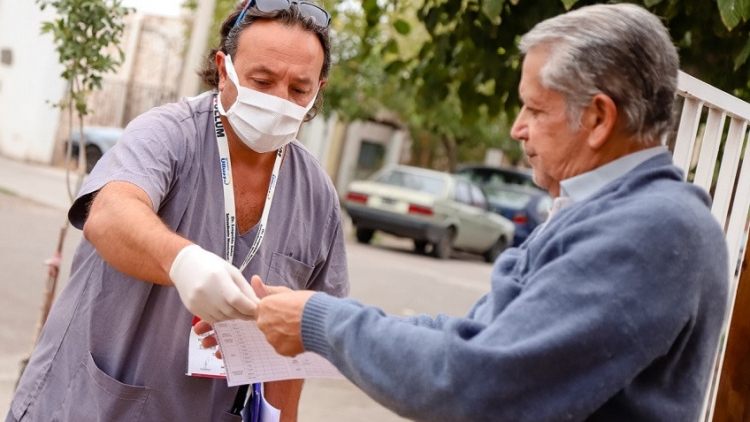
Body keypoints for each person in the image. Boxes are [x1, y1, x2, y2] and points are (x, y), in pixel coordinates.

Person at [250, 4, 730, 421]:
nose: (518, 129)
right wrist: (305, 315)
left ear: (599, 118)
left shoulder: (654, 229)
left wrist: (321, 322)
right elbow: (477, 336)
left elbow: (479, 383)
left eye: (535, 110)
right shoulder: (605, 211)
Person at [7, 1, 348, 421]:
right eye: (262, 80)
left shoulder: (316, 198)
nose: (280, 101)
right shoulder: (169, 135)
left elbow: (296, 348)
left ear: (319, 89)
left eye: (299, 89)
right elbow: (109, 214)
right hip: (94, 405)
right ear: (225, 70)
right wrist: (183, 262)